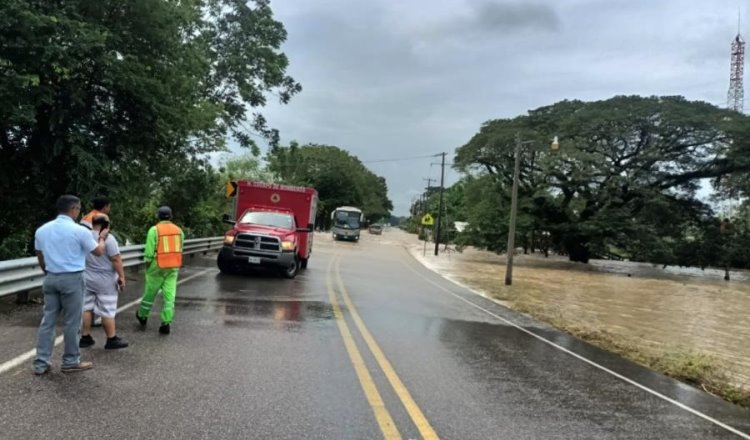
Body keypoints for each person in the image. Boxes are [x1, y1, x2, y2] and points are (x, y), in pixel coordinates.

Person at [33, 195, 109, 375]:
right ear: (74, 209)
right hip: (72, 278)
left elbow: (40, 255)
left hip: (51, 277)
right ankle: (70, 360)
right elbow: (98, 252)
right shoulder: (79, 230)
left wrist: (48, 271)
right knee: (72, 322)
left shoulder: (42, 230)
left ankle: (41, 362)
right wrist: (102, 238)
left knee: (48, 321)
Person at [79, 214, 129, 350]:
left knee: (86, 307)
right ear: (106, 225)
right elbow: (116, 259)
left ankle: (85, 337)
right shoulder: (109, 239)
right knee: (107, 309)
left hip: (87, 277)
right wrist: (122, 277)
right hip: (105, 280)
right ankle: (111, 339)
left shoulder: (85, 236)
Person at [136, 206, 184, 335]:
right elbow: (180, 247)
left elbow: (149, 252)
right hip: (173, 266)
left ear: (158, 216)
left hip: (157, 265)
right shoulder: (179, 230)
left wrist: (147, 265)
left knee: (150, 292)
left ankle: (142, 315)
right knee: (169, 295)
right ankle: (166, 322)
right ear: (171, 216)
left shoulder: (154, 230)